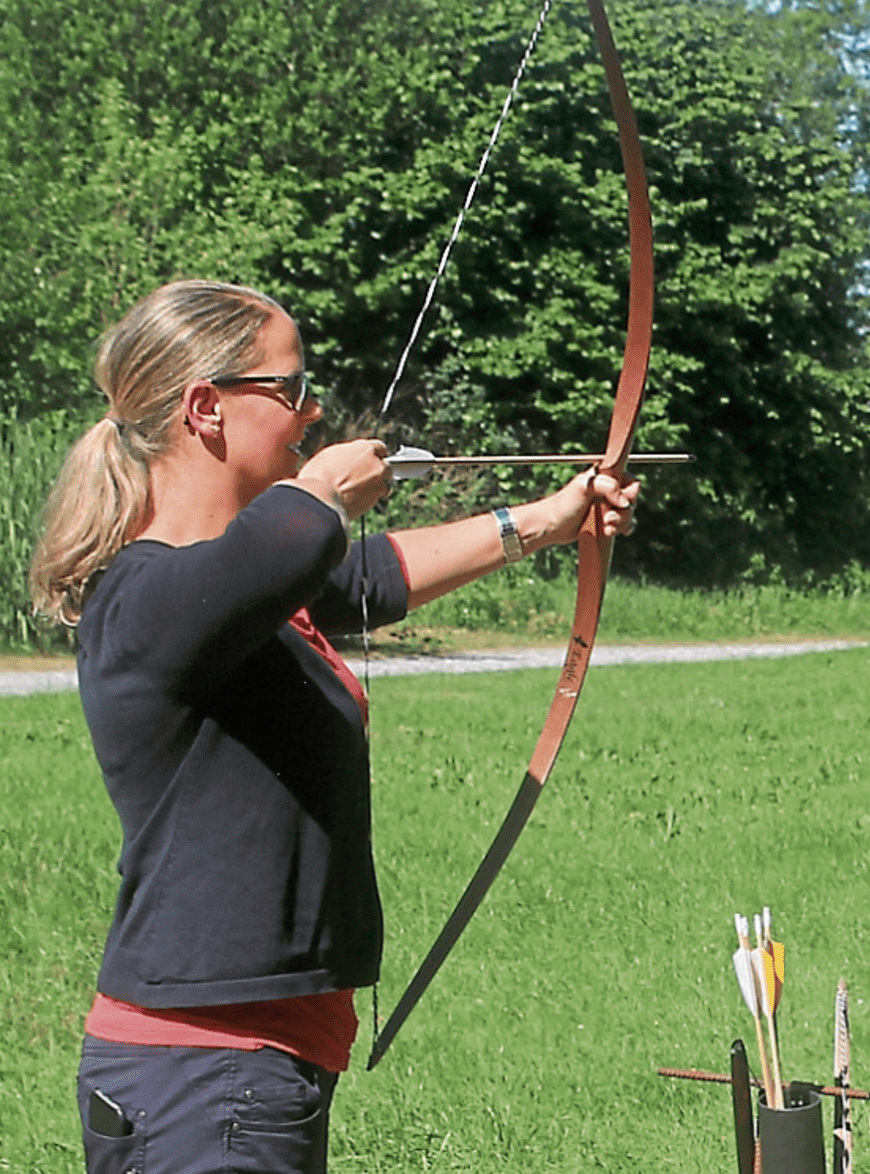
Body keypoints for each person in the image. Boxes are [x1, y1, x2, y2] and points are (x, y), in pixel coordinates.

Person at [29, 280, 641, 1174]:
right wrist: (324, 490)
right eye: (290, 388)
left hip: (249, 1065)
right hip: (203, 1074)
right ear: (206, 407)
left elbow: (370, 575)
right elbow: (291, 545)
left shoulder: (244, 593)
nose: (312, 410)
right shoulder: (149, 596)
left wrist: (550, 521)